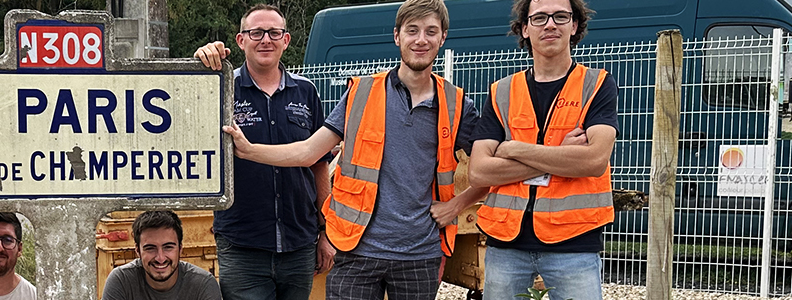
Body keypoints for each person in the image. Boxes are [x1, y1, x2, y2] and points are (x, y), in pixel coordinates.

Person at [209, 0, 487, 299]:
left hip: (419, 256)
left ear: (443, 37)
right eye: (412, 30)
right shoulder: (362, 93)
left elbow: (490, 168)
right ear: (397, 36)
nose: (421, 40)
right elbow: (308, 152)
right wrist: (249, 151)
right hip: (355, 251)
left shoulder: (456, 104)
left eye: (431, 31)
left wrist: (457, 205)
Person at [465, 0, 619, 299]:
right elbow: (479, 171)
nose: (550, 24)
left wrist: (514, 148)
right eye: (539, 18)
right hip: (506, 242)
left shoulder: (596, 84)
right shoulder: (502, 91)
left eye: (560, 16)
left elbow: (593, 160)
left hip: (573, 241)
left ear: (574, 25)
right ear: (525, 28)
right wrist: (559, 154)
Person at [190, 4, 333, 300]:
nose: (265, 39)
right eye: (256, 32)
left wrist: (325, 232)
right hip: (243, 243)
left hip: (299, 241)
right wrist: (199, 64)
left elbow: (319, 164)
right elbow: (188, 112)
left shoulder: (306, 92)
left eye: (273, 32)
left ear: (286, 40)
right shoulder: (222, 88)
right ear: (241, 40)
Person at [100, 211, 222, 300]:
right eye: (150, 248)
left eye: (168, 247)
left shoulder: (203, 284)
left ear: (180, 249)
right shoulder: (121, 280)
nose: (160, 258)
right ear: (137, 251)